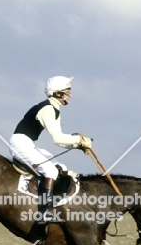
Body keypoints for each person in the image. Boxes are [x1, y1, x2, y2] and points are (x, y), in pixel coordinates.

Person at [9, 76, 92, 224]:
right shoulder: (48, 109)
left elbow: (60, 141)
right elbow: (58, 139)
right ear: (58, 93)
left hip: (28, 143)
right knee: (51, 171)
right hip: (20, 144)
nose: (70, 95)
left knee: (62, 167)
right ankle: (43, 213)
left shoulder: (54, 108)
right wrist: (78, 140)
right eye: (68, 91)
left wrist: (78, 145)